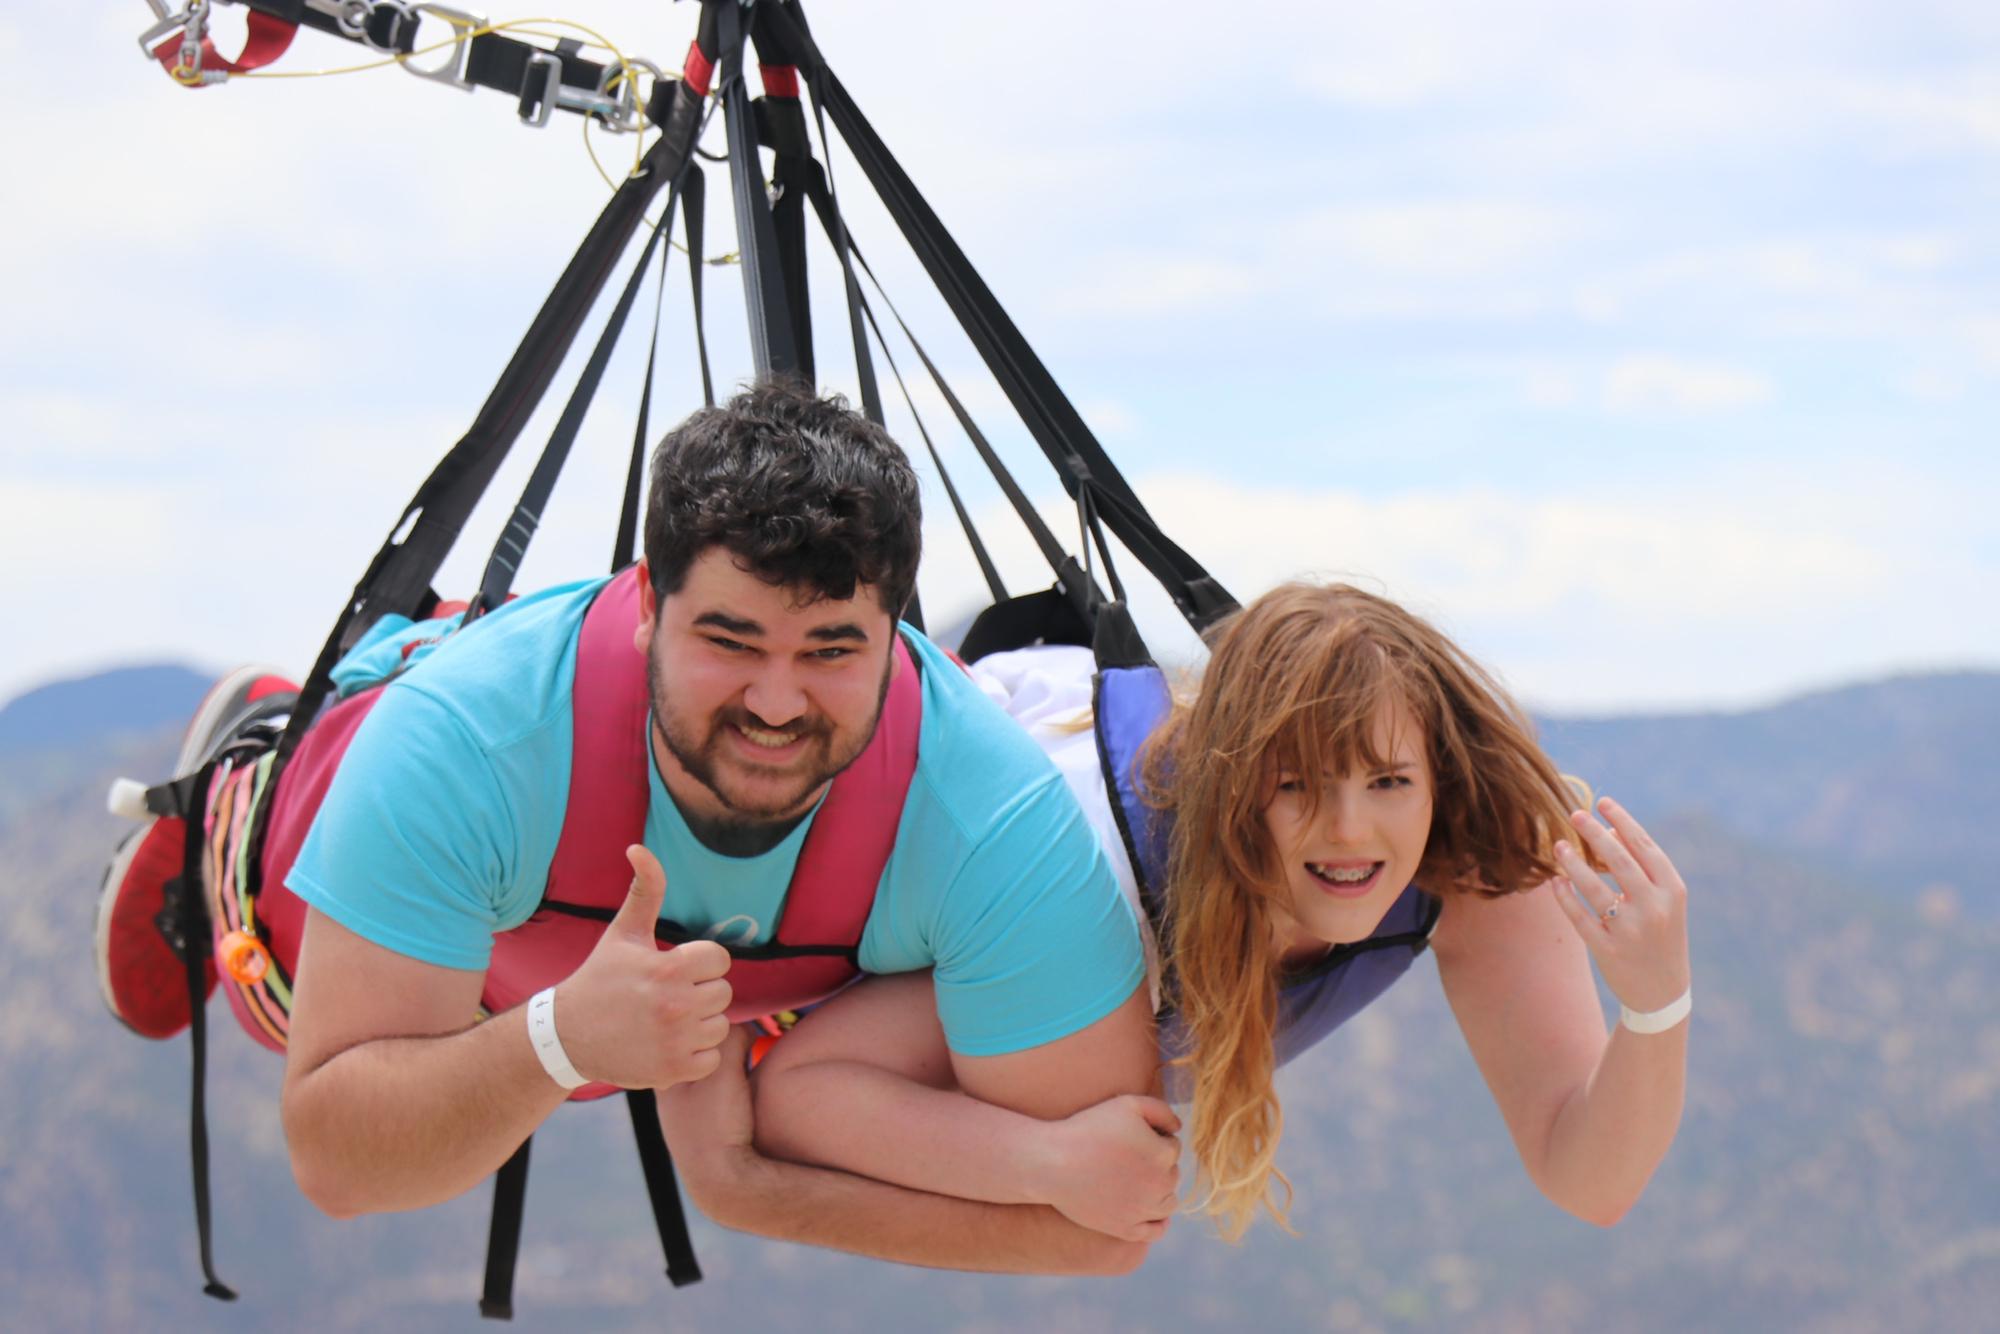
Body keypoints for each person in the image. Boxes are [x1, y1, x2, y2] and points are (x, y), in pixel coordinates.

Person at [93, 380, 1175, 1274]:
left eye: (831, 649)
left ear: (896, 627)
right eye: (730, 637)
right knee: (282, 951)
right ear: (648, 599)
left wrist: (751, 1180)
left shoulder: (989, 822)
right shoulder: (466, 743)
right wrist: (560, 1038)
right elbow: (337, 1160)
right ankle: (239, 784)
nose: (777, 701)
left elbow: (1101, 1226)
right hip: (466, 915)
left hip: (677, 1003)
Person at [716, 580, 1692, 1241]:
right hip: (952, 846)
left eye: (1389, 778)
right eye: (1297, 783)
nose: (1349, 831)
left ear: (1435, 778)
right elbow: (803, 1088)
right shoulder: (1077, 894)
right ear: (1231, 788)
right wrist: (1044, 1162)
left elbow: (1587, 1177)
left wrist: (1653, 1003)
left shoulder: (1461, 860)